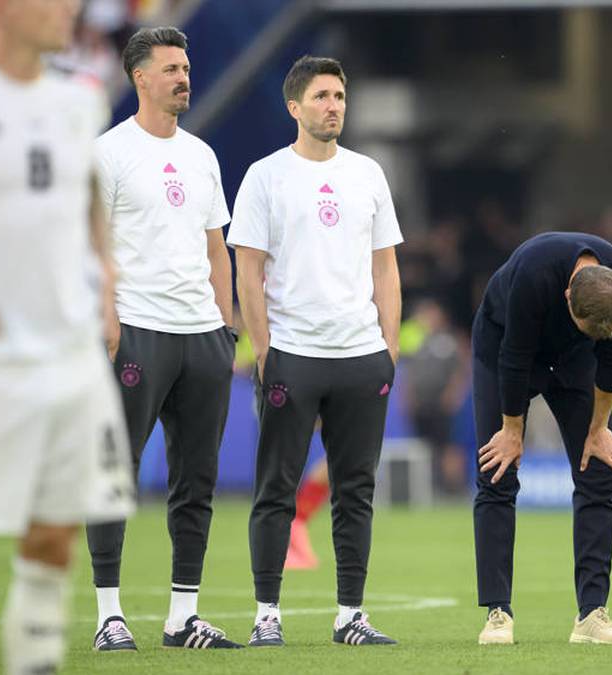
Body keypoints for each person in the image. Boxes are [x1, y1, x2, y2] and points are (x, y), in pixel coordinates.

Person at [0, 0, 135, 672]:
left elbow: (85, 200)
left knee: (56, 538)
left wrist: (105, 282)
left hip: (72, 357)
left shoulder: (81, 100)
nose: (71, 8)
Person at [230, 55, 402, 648]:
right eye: (323, 96)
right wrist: (264, 350)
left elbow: (386, 267)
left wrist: (390, 349)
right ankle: (266, 615)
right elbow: (246, 271)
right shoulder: (265, 176)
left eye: (340, 96)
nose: (335, 106)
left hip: (361, 354)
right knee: (275, 489)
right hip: (293, 355)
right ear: (295, 106)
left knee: (356, 492)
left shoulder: (368, 174)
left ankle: (350, 614)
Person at [86, 25, 241, 651]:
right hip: (136, 330)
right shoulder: (108, 154)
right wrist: (107, 322)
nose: (184, 77)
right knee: (114, 472)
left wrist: (227, 329)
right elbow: (89, 248)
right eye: (171, 68)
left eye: (187, 66)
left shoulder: (202, 154)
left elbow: (217, 249)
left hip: (202, 335)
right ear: (139, 77)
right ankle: (108, 615)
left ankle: (182, 617)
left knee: (196, 480)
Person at [472, 231, 612, 646]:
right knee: (498, 471)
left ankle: (592, 614)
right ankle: (498, 614)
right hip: (505, 348)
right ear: (568, 296)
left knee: (600, 472)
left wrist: (599, 430)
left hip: (575, 362)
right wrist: (513, 431)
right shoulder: (535, 271)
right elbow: (514, 356)